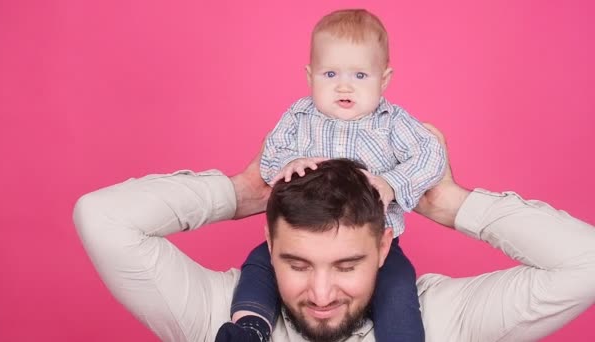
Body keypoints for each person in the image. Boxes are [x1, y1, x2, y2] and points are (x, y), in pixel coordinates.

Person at [73, 124, 595, 341]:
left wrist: (446, 201)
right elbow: (102, 217)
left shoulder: (441, 319)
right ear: (270, 247)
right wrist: (242, 192)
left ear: (385, 245)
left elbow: (586, 263)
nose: (321, 295)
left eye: (347, 265)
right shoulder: (220, 315)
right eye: (297, 264)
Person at [227, 9, 445, 341]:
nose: (344, 86)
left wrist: (394, 182)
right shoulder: (299, 116)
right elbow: (271, 153)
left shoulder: (392, 122)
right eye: (330, 74)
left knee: (398, 285)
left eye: (360, 76)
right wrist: (289, 163)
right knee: (260, 266)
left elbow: (431, 155)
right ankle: (250, 328)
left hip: (369, 236)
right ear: (309, 75)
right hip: (304, 230)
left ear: (383, 80)